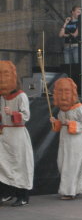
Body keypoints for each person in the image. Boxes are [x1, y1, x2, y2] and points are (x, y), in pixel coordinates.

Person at [0, 61, 34, 207]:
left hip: (18, 134)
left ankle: (23, 196)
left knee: (20, 165)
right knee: (4, 165)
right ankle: (6, 192)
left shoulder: (21, 96)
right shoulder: (2, 97)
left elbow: (26, 116)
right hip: (5, 134)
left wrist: (13, 113)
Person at [50, 78, 82, 200]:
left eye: (66, 91)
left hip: (75, 140)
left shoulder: (79, 107)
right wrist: (56, 122)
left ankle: (69, 192)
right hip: (65, 138)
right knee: (62, 163)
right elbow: (60, 124)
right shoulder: (62, 109)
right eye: (60, 92)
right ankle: (75, 188)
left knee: (71, 165)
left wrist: (70, 123)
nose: (63, 95)